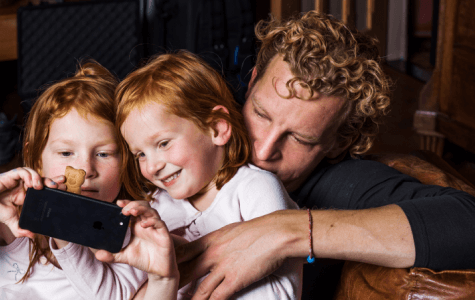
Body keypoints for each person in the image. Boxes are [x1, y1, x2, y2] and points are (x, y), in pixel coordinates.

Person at [175, 11, 475, 300]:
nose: (263, 150)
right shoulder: (200, 130)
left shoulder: (341, 183)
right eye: (261, 114)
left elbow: (466, 220)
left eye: (299, 138)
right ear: (252, 82)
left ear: (338, 141)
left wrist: (285, 230)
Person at [0, 61, 179, 300]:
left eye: (104, 153)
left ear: (126, 158)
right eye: (66, 152)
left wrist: (66, 237)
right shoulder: (16, 217)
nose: (85, 168)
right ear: (35, 157)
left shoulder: (129, 232)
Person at [115, 50, 303, 299]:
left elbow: (276, 290)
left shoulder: (255, 188)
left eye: (163, 144)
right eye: (140, 154)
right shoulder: (157, 207)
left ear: (216, 128)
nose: (152, 167)